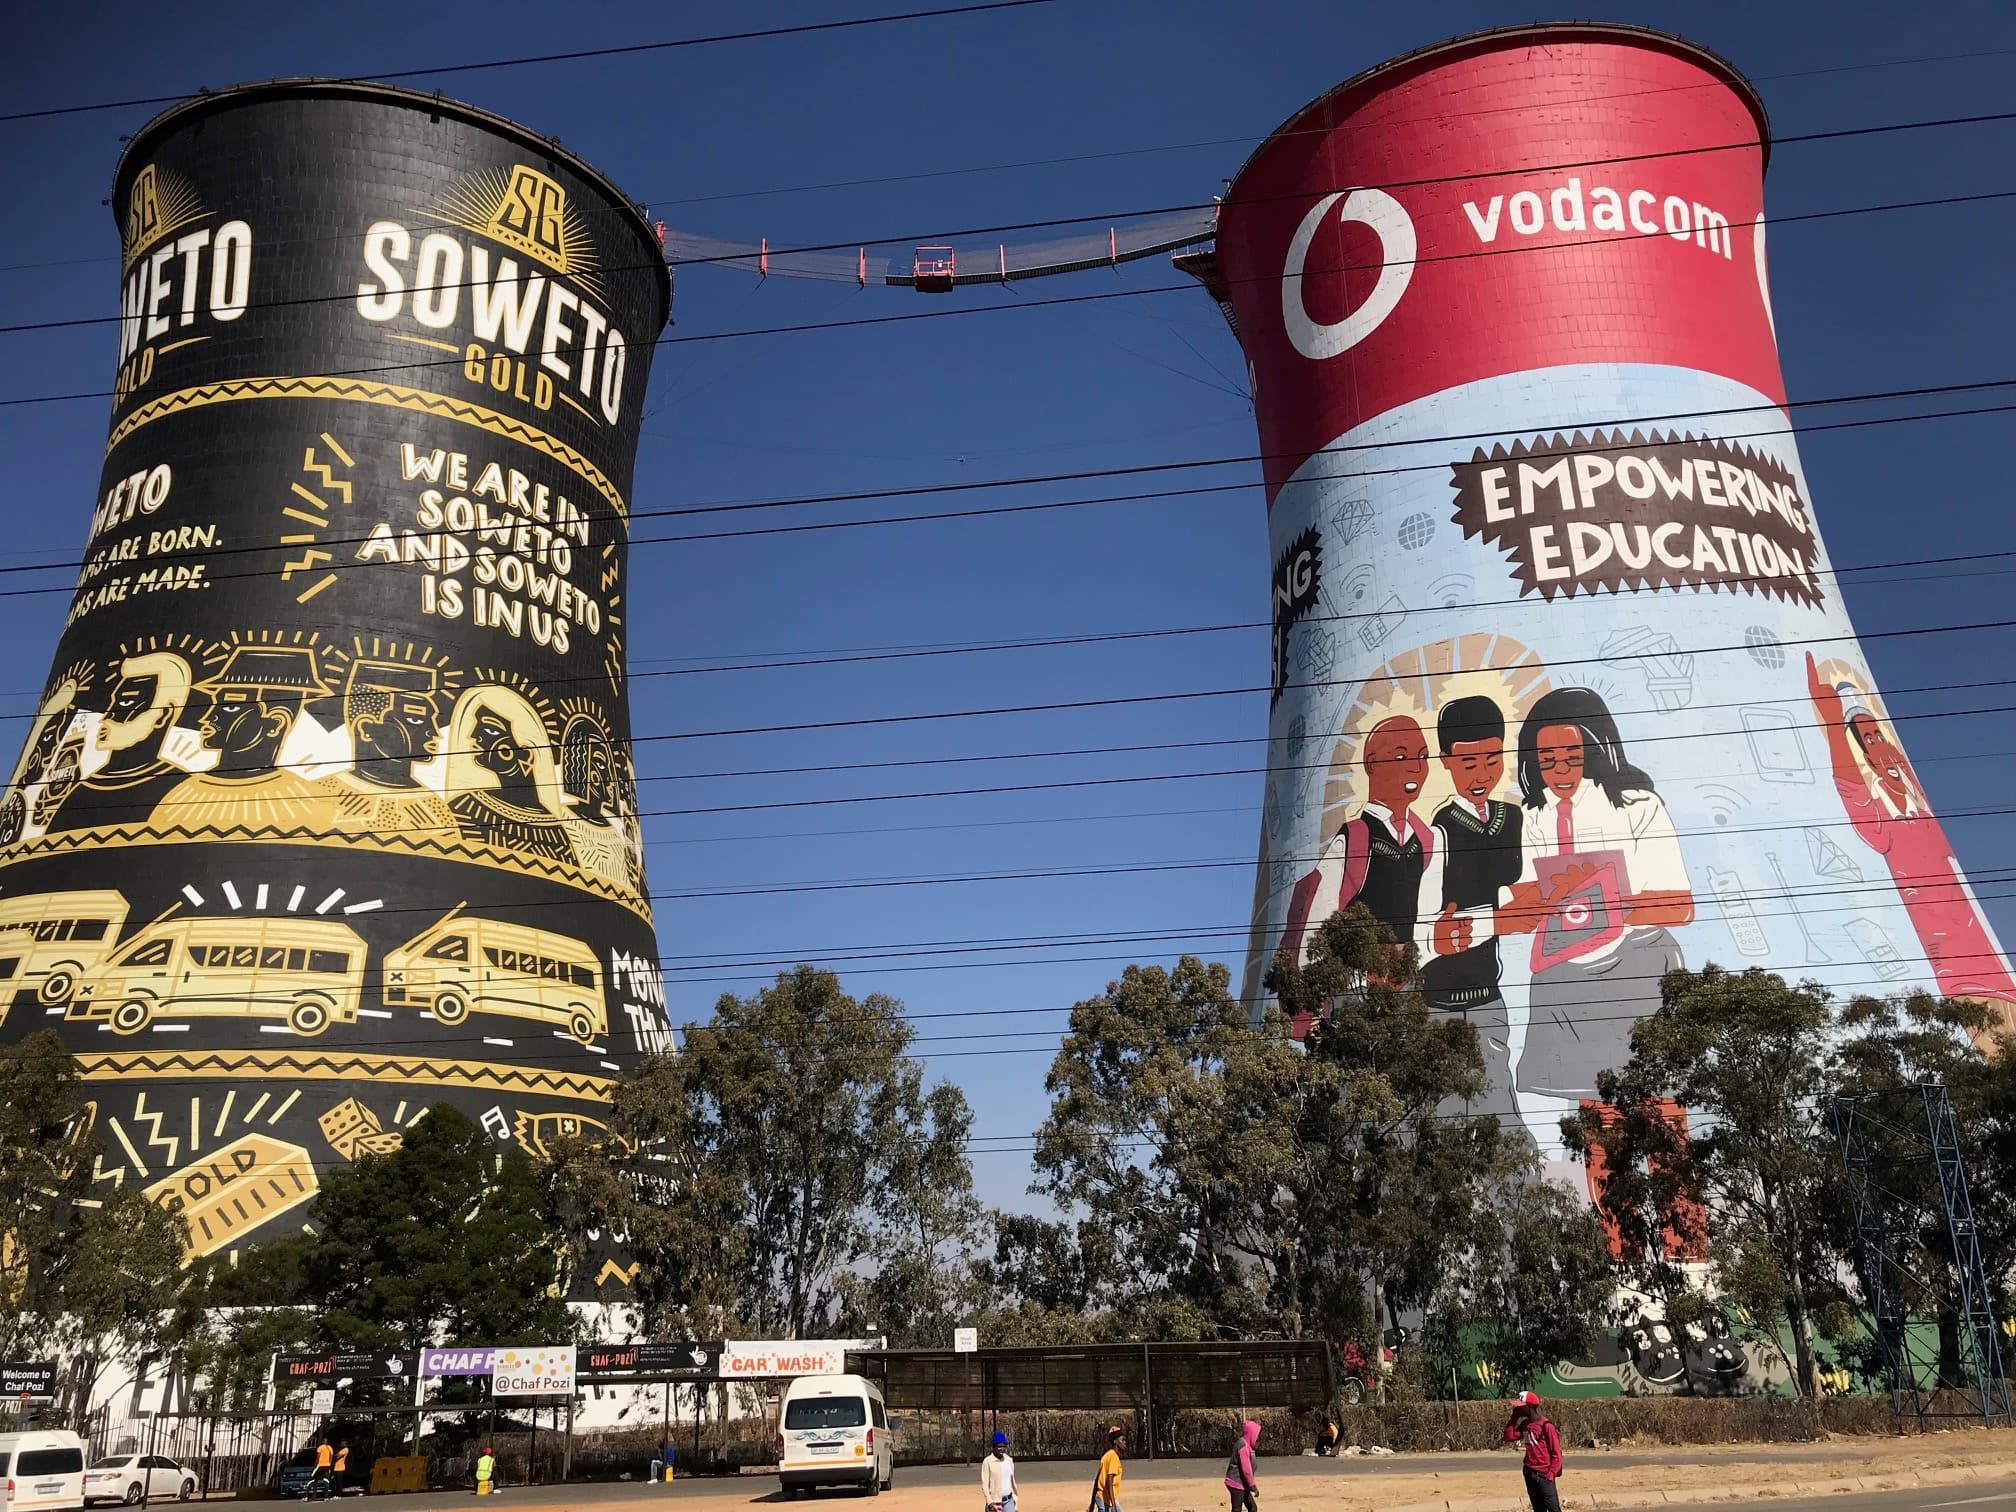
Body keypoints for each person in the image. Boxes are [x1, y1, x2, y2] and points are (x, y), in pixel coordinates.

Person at [1499, 688, 1693, 1101]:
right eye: (1547, 762)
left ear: (1597, 748)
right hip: (1566, 973)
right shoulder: (1534, 818)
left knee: (1662, 1103)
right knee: (1595, 1112)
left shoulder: (1638, 806)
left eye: (1573, 757)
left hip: (1639, 963)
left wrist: (1604, 899)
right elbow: (1531, 900)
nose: (1561, 771)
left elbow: (1680, 905)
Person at [1807, 653, 2016, 1035]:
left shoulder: (1921, 811)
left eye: (1882, 736)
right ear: (1863, 754)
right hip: (1958, 973)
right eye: (1870, 740)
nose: (1882, 748)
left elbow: (1904, 768)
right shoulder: (1884, 819)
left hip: (1994, 962)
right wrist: (1837, 729)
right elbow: (1853, 791)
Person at [1277, 714, 1434, 1035]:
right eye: (1402, 757)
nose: (1416, 768)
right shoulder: (1354, 839)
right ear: (1371, 764)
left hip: (1402, 993)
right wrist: (1313, 1005)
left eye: (1422, 757)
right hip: (1356, 993)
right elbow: (1316, 924)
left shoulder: (1424, 840)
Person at [1416, 695, 1525, 1120]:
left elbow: (1531, 891)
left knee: (1500, 1105)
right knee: (1442, 1113)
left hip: (1488, 996)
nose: (1481, 775)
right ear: (1446, 761)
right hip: (1439, 1004)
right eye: (1467, 764)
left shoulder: (1514, 820)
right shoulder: (1439, 832)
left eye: (1491, 760)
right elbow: (1426, 924)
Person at [1502, 1392, 1562, 1512]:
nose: (1517, 1408)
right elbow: (1508, 1436)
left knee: (1553, 1508)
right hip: (1529, 1472)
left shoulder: (1546, 1426)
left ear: (1529, 1407)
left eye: (1520, 1406)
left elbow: (1557, 1454)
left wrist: (1550, 1474)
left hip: (1544, 1474)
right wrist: (1514, 1416)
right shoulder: (1525, 1424)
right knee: (1538, 1508)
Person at [1223, 1418, 1260, 1512]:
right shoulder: (1243, 1446)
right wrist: (1252, 1486)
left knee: (1253, 1508)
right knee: (1237, 1509)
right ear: (1251, 1434)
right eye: (1256, 1435)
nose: (1257, 1438)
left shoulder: (1248, 1447)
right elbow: (1246, 1469)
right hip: (1236, 1483)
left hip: (1242, 1484)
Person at [1092, 1426, 1125, 1512]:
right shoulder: (1113, 1457)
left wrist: (1092, 1504)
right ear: (1115, 1442)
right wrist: (1113, 1505)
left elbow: (1097, 1481)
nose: (1124, 1443)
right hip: (1106, 1499)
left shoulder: (1106, 1456)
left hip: (1101, 1497)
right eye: (1122, 1440)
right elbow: (1109, 1482)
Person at [981, 1430, 1016, 1512]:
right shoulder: (988, 1461)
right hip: (995, 1503)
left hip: (1009, 1501)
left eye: (1004, 1446)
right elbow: (985, 1484)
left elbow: (1011, 1481)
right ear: (994, 1447)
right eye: (999, 1446)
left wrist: (1014, 1498)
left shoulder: (1009, 1460)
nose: (1002, 1449)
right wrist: (989, 1502)